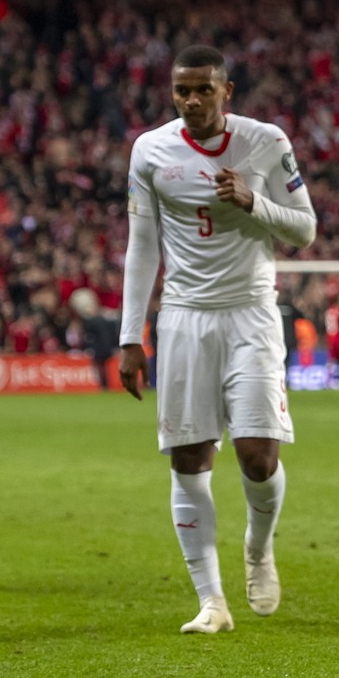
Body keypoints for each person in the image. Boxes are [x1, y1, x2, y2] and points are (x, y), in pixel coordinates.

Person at [119, 45, 316, 634]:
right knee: (189, 458)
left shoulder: (267, 142)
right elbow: (141, 243)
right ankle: (211, 602)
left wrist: (254, 202)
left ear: (226, 91)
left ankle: (258, 547)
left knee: (258, 456)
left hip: (252, 313)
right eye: (183, 91)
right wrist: (133, 335)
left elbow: (305, 228)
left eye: (204, 89)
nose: (193, 100)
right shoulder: (150, 150)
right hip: (184, 317)